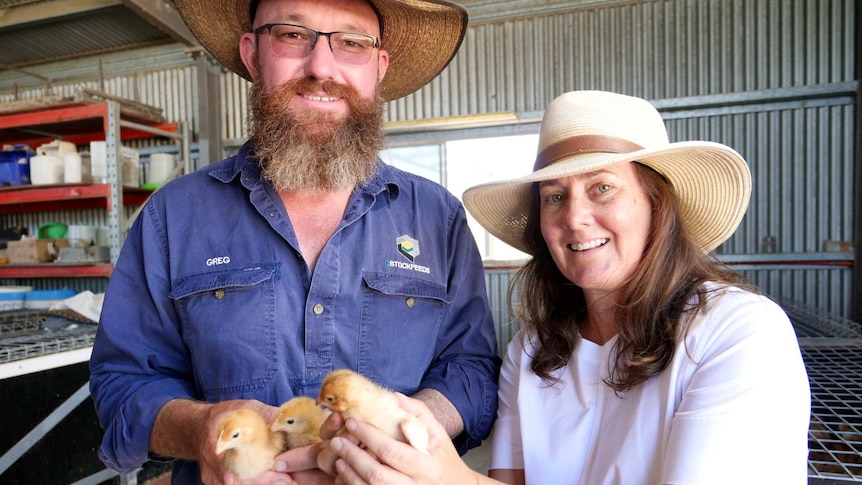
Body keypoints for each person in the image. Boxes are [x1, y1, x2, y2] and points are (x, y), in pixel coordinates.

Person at [88, 0, 501, 483]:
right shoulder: (173, 217)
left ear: (379, 67)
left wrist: (407, 425)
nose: (321, 67)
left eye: (352, 42)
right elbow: (123, 385)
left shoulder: (438, 218)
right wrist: (202, 429)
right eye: (291, 35)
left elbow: (471, 370)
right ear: (251, 52)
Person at [325, 90, 812, 484]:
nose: (575, 219)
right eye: (554, 196)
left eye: (603, 187)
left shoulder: (737, 333)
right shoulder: (532, 353)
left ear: (656, 204)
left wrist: (456, 480)